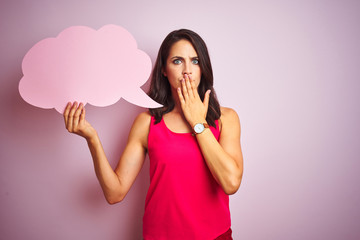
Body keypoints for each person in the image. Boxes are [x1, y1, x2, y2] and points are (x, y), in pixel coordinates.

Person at [63, 29, 243, 240]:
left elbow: (231, 183)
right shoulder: (147, 123)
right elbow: (114, 193)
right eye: (177, 61)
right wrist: (91, 138)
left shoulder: (226, 119)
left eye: (195, 61)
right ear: (164, 70)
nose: (187, 70)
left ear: (203, 67)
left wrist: (198, 123)